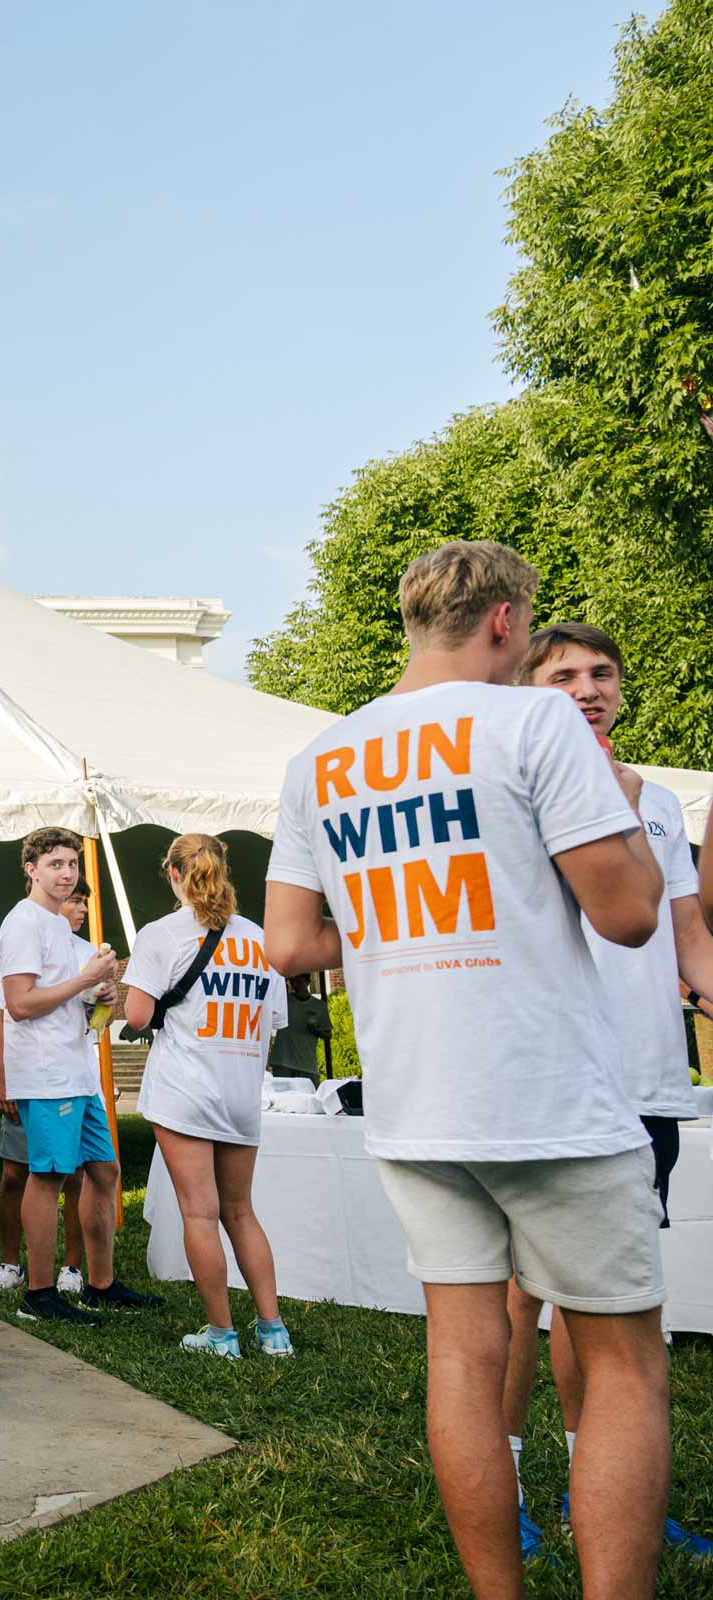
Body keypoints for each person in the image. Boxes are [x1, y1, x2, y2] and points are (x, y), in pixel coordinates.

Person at [265, 542, 670, 1600]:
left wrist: (405, 928)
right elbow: (629, 915)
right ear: (503, 623)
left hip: (415, 1099)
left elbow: (292, 943)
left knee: (463, 1358)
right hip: (550, 1098)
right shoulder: (535, 721)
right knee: (624, 1364)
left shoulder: (324, 756)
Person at [503, 622, 712, 1558]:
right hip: (554, 1079)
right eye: (564, 676)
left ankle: (609, 1494)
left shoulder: (660, 800)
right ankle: (505, 1483)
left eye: (601, 674)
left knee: (625, 1304)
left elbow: (687, 935)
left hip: (650, 1083)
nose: (587, 688)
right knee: (520, 1302)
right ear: (532, 689)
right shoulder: (516, 785)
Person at [120, 834, 289, 1359]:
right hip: (241, 1087)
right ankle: (273, 1329)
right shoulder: (260, 938)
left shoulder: (162, 934)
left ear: (172, 873)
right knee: (241, 1211)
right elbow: (274, 1020)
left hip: (186, 1088)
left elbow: (137, 1017)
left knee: (199, 1212)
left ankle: (222, 1334)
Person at [0, 827, 157, 1326]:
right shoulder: (22, 924)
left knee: (105, 1172)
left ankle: (100, 1284)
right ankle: (40, 1294)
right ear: (31, 870)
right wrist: (85, 981)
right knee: (47, 1178)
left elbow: (70, 1004)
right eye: (56, 865)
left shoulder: (63, 929)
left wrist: (99, 1000)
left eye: (72, 864)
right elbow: (19, 1005)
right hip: (45, 1075)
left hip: (77, 1069)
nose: (67, 873)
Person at [0, 942, 85, 1295]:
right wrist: (4, 1082)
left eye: (83, 900)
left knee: (75, 1177)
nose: (79, 908)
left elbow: (96, 1014)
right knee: (15, 1174)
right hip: (28, 1080)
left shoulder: (85, 951)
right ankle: (11, 1263)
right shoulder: (17, 944)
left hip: (71, 1081)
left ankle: (71, 1267)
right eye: (75, 900)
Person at [267, 974, 330, 1081]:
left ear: (308, 982)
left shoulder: (319, 1006)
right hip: (283, 1062)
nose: (295, 985)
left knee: (308, 1097)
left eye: (299, 981)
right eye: (292, 981)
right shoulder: (284, 1002)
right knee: (283, 1097)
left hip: (307, 1064)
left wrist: (317, 1030)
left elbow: (328, 1034)